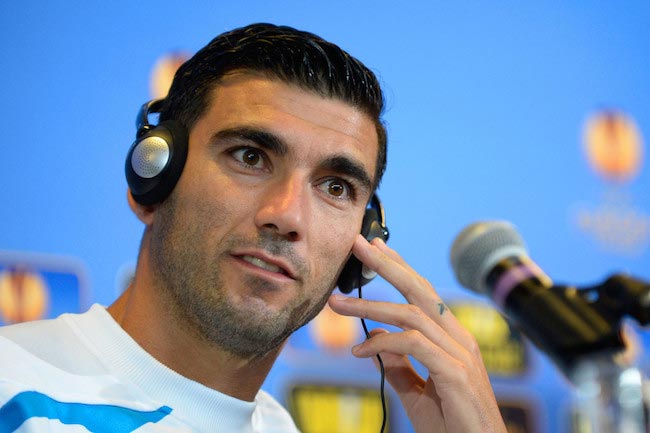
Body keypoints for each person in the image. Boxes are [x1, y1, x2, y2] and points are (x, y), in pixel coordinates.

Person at [0, 23, 506, 433]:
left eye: (334, 187)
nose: (287, 215)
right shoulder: (15, 392)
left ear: (363, 246)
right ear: (152, 178)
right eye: (250, 157)